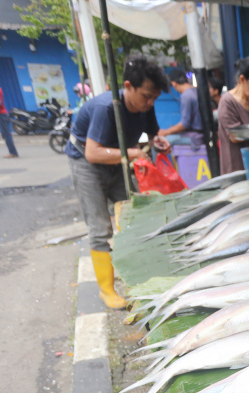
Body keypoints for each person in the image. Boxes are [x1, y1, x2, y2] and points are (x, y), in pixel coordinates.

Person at [64, 54, 171, 309]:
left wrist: (157, 141)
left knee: (133, 218)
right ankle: (107, 291)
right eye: (146, 95)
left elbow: (151, 132)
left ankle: (136, 275)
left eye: (154, 97)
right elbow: (92, 152)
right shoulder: (106, 107)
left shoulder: (146, 105)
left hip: (119, 162)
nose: (150, 102)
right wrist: (132, 153)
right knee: (101, 227)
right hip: (88, 163)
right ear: (127, 86)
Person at [159, 72, 204, 148]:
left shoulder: (186, 96)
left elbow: (185, 124)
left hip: (195, 138)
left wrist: (165, 132)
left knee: (160, 142)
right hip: (201, 134)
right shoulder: (197, 91)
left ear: (173, 83)